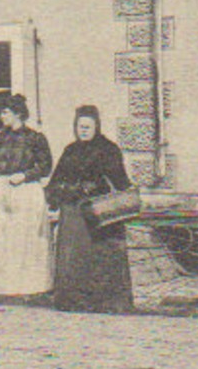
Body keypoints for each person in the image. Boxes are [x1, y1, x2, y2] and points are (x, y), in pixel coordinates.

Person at [45, 105, 134, 313]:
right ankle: (72, 301)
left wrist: (127, 196)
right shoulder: (70, 150)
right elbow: (56, 180)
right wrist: (57, 198)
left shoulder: (108, 149)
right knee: (72, 257)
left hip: (97, 212)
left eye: (88, 126)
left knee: (100, 255)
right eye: (80, 126)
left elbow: (120, 181)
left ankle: (102, 301)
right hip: (72, 212)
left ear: (97, 126)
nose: (83, 130)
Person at [0, 93, 54, 297]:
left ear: (18, 114)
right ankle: (0, 287)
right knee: (1, 240)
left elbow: (45, 166)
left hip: (26, 193)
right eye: (1, 112)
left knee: (24, 240)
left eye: (5, 112)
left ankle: (29, 287)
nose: (1, 116)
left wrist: (25, 175)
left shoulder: (35, 139)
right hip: (0, 192)